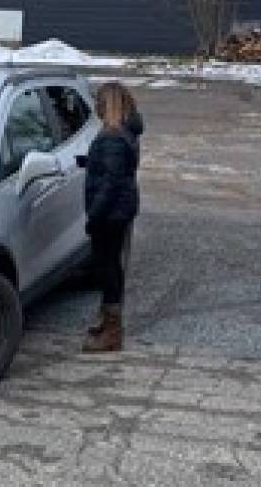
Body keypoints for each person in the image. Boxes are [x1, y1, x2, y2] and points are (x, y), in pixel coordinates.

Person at [83, 82, 144, 352]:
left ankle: (112, 331)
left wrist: (94, 216)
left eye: (99, 103)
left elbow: (110, 181)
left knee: (105, 266)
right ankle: (109, 322)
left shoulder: (111, 137)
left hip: (110, 212)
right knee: (113, 266)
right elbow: (115, 168)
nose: (95, 108)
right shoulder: (126, 133)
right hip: (122, 208)